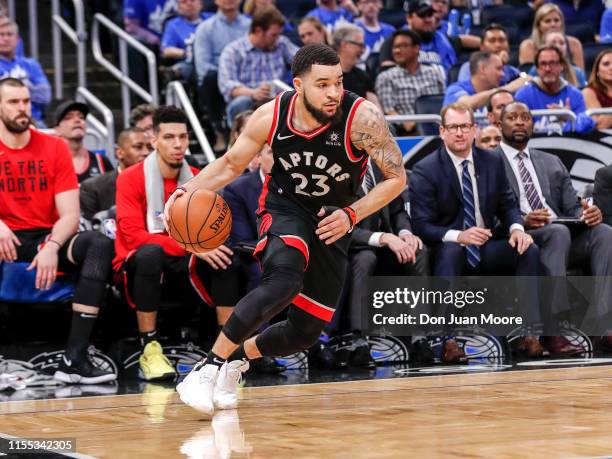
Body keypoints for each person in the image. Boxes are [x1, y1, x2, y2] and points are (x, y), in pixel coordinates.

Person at [167, 44, 405, 414]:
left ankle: (236, 360)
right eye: (322, 84)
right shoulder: (270, 116)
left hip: (335, 218)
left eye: (338, 83)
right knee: (284, 279)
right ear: (298, 85)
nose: (333, 93)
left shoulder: (363, 119)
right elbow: (230, 166)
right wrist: (185, 192)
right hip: (286, 206)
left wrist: (352, 215)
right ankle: (207, 367)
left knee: (304, 332)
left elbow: (396, 179)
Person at [0, 78, 116, 384]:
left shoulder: (53, 147)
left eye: (25, 101)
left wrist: (52, 245)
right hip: (5, 236)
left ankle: (74, 358)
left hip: (43, 236)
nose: (22, 108)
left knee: (98, 244)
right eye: (13, 102)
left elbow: (70, 214)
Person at [408, 102, 541, 360]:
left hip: (486, 246)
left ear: (474, 129)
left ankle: (530, 333)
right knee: (451, 252)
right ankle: (447, 340)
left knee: (528, 249)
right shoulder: (426, 169)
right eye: (453, 127)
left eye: (465, 127)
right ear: (442, 131)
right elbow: (421, 225)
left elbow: (508, 204)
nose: (459, 133)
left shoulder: (491, 161)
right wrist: (459, 236)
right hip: (449, 248)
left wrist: (516, 229)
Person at [114, 106, 228, 381]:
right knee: (151, 252)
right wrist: (193, 246)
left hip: (182, 260)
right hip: (137, 264)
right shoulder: (130, 178)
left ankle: (227, 351)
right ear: (153, 140)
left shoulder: (199, 177)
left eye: (182, 137)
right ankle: (149, 347)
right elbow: (133, 236)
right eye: (168, 137)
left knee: (226, 255)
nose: (177, 144)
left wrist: (206, 244)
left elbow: (213, 228)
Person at [497, 101, 612, 352]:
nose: (519, 122)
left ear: (533, 124)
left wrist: (588, 214)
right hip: (518, 237)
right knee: (557, 233)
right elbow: (485, 212)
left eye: (525, 117)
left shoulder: (551, 161)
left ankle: (603, 327)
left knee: (603, 233)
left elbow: (570, 209)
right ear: (498, 124)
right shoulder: (489, 161)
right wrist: (521, 221)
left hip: (559, 233)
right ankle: (554, 328)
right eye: (512, 117)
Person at [218, 6, 298, 126]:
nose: (277, 39)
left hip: (277, 97)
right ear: (258, 31)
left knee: (296, 99)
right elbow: (228, 86)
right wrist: (253, 92)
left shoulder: (281, 43)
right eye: (273, 35)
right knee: (241, 102)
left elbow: (303, 61)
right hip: (249, 97)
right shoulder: (233, 51)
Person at [193, 0, 251, 145]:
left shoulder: (251, 26)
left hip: (247, 76)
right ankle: (218, 129)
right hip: (218, 77)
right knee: (211, 78)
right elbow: (202, 67)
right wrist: (227, 75)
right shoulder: (204, 28)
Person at [375, 29, 446, 135]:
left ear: (416, 48)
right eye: (395, 47)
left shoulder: (434, 73)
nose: (397, 51)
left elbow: (444, 101)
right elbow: (389, 110)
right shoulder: (385, 77)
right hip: (408, 132)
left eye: (402, 46)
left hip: (438, 126)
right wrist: (409, 123)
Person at [515, 46, 595, 135]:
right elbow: (518, 130)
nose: (547, 69)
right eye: (543, 64)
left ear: (561, 66)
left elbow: (587, 127)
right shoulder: (523, 95)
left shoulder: (575, 94)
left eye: (552, 63)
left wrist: (568, 116)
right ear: (537, 69)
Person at [80, 127, 150, 221]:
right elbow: (91, 231)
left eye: (150, 148)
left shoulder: (161, 184)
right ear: (119, 152)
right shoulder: (93, 188)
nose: (146, 153)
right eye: (138, 147)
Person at [443, 51, 529, 125]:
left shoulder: (501, 86)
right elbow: (466, 104)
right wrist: (507, 89)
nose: (502, 74)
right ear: (482, 68)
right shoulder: (455, 89)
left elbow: (527, 78)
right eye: (498, 69)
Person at [378, 0, 457, 80]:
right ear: (409, 18)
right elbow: (386, 73)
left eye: (430, 15)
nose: (428, 20)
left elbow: (464, 40)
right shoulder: (394, 42)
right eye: (422, 15)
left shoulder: (443, 40)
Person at [0, 20, 50, 125]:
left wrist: (7, 93)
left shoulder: (31, 64)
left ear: (18, 39)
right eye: (1, 34)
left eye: (9, 34)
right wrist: (27, 86)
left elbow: (44, 97)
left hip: (33, 120)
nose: (5, 38)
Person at [50, 100, 114, 183]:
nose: (77, 120)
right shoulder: (49, 163)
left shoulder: (101, 161)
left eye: (81, 117)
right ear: (57, 130)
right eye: (69, 117)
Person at [519, 3, 584, 70]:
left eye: (556, 20)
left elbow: (580, 75)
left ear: (562, 23)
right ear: (538, 25)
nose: (553, 24)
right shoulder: (528, 46)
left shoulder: (574, 44)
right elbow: (527, 76)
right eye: (547, 21)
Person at [332, 25, 380, 106]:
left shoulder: (362, 76)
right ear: (344, 45)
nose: (363, 50)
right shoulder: (327, 74)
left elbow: (375, 106)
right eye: (360, 45)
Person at [353, 0, 395, 68]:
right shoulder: (352, 28)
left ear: (381, 4)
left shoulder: (390, 30)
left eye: (375, 1)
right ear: (358, 5)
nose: (371, 5)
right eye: (366, 2)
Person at [582, 49, 612, 130]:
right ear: (597, 71)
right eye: (606, 64)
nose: (611, 67)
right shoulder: (589, 92)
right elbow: (599, 125)